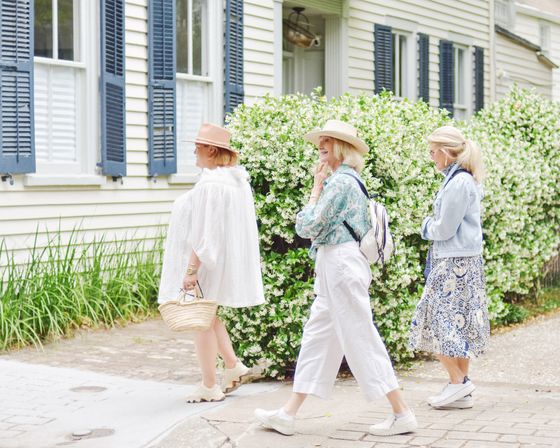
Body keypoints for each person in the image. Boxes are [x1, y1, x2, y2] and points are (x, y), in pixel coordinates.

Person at [254, 120, 418, 436]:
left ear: (342, 148)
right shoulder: (346, 180)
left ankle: (402, 412)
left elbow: (307, 226)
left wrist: (316, 189)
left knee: (360, 336)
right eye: (320, 141)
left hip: (341, 263)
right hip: (335, 263)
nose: (321, 145)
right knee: (318, 337)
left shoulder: (341, 183)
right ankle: (288, 414)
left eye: (328, 141)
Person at [158, 123, 265, 403]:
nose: (194, 150)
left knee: (200, 321)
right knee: (208, 314)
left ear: (211, 149)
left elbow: (205, 234)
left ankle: (209, 385)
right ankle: (232, 366)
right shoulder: (233, 181)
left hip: (206, 261)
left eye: (198, 145)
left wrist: (191, 270)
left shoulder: (211, 184)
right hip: (219, 260)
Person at [409, 125, 490, 410]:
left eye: (433, 152)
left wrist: (424, 226)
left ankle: (460, 383)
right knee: (458, 323)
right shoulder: (459, 180)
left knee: (436, 320)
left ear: (445, 152)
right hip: (461, 260)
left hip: (454, 262)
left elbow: (444, 228)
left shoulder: (458, 183)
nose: (431, 157)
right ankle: (460, 391)